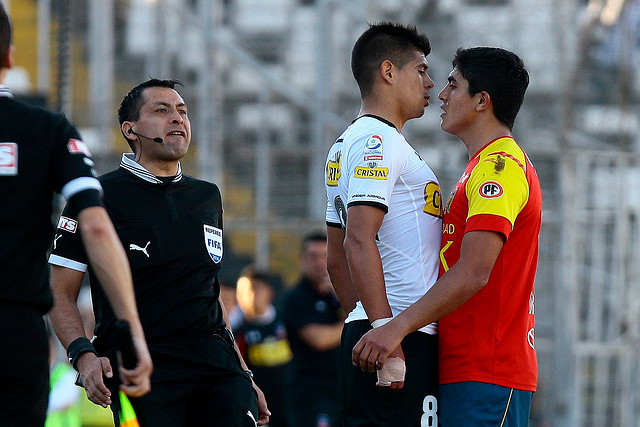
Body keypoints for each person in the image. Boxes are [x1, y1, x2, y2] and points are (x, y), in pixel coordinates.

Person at [48, 78, 270, 427]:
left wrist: (244, 373)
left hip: (216, 365)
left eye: (182, 112)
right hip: (140, 367)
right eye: (162, 111)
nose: (177, 119)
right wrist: (83, 355)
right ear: (131, 129)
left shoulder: (207, 196)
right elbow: (60, 292)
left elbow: (209, 294)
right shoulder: (95, 196)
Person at [352, 47, 541, 426]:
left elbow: (474, 272)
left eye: (453, 85)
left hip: (488, 370)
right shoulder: (478, 166)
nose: (441, 93)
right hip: (463, 367)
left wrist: (395, 326)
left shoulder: (498, 169)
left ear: (481, 101)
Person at [0, 5, 151, 426]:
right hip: (14, 328)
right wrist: (131, 330)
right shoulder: (47, 130)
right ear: (10, 56)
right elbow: (97, 226)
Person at [324, 22, 443, 426]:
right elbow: (357, 241)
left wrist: (365, 326)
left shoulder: (347, 143)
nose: (430, 82)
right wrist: (383, 333)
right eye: (421, 69)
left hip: (383, 331)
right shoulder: (380, 142)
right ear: (389, 72)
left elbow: (336, 257)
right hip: (400, 336)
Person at [282, 232, 345, 427]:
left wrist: (342, 295)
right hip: (311, 394)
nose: (320, 263)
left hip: (342, 390)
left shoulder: (337, 297)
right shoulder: (296, 298)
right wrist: (354, 323)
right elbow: (319, 340)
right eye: (313, 256)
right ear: (302, 260)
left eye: (324, 256)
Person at [234, 265, 293, 427]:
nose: (250, 295)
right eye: (244, 290)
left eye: (255, 289)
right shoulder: (236, 332)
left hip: (290, 402)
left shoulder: (286, 322)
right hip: (256, 404)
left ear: (270, 292)